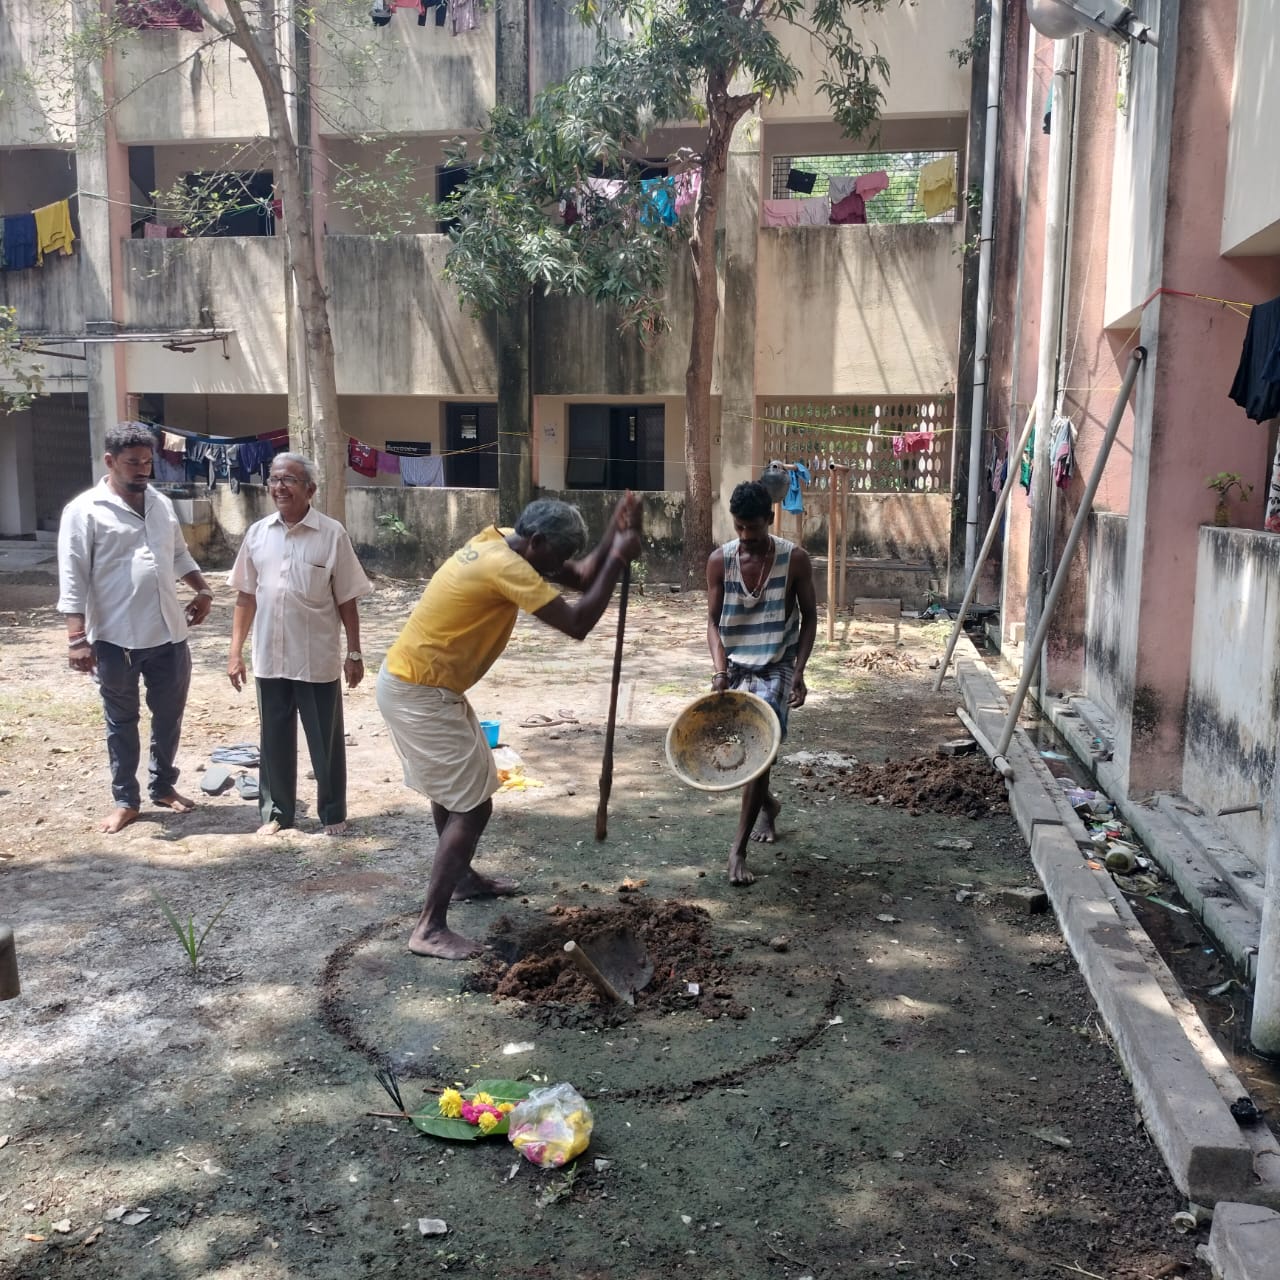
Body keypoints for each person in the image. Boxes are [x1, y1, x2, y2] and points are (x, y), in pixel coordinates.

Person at [377, 495, 642, 959]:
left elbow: (581, 576)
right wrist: (618, 557)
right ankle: (429, 928)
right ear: (536, 541)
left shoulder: (501, 541)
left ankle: (462, 879)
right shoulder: (504, 566)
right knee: (473, 808)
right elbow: (578, 622)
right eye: (556, 555)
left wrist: (613, 538)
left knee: (456, 790)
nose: (557, 566)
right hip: (420, 690)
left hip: (425, 684)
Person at [57, 421, 214, 833]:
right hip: (116, 639)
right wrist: (76, 639)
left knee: (169, 716)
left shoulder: (160, 504)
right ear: (110, 461)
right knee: (121, 721)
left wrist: (202, 590)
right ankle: (126, 800)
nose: (143, 470)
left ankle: (163, 786)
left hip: (169, 635)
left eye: (147, 462)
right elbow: (73, 577)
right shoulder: (84, 511)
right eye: (133, 463)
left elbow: (178, 554)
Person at [227, 452, 371, 836]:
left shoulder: (331, 534)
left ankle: (333, 813)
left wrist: (354, 652)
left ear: (311, 489)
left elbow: (347, 599)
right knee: (273, 738)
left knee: (325, 739)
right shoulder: (258, 534)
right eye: (274, 479)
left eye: (289, 480)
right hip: (269, 657)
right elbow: (246, 596)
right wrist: (235, 653)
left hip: (315, 656)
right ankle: (277, 813)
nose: (279, 487)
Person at [706, 479, 817, 885]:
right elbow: (712, 623)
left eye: (752, 527)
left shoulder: (795, 560)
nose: (745, 535)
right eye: (739, 527)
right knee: (738, 755)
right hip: (735, 667)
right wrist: (720, 670)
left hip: (776, 666)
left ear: (769, 519)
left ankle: (737, 851)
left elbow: (809, 619)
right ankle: (768, 805)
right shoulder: (720, 561)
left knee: (757, 750)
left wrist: (799, 671)